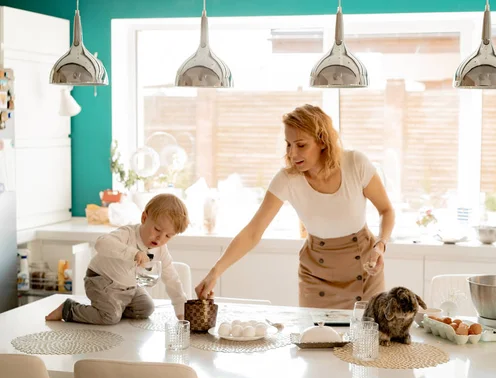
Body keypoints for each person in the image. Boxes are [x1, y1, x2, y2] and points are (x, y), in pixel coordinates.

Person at [195, 104, 395, 309]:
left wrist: (380, 245)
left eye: (301, 145)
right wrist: (215, 272)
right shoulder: (287, 179)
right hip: (316, 275)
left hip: (365, 268)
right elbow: (253, 231)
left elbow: (386, 210)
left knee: (369, 337)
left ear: (322, 142)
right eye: (288, 145)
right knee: (316, 339)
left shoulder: (355, 163)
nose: (292, 153)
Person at [45, 194, 190, 324]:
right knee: (109, 317)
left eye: (168, 236)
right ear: (144, 218)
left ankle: (115, 308)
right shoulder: (127, 234)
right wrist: (133, 253)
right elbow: (101, 243)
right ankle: (68, 309)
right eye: (157, 230)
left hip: (128, 287)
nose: (160, 238)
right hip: (102, 281)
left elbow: (171, 278)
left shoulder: (161, 249)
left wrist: (180, 308)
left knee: (147, 308)